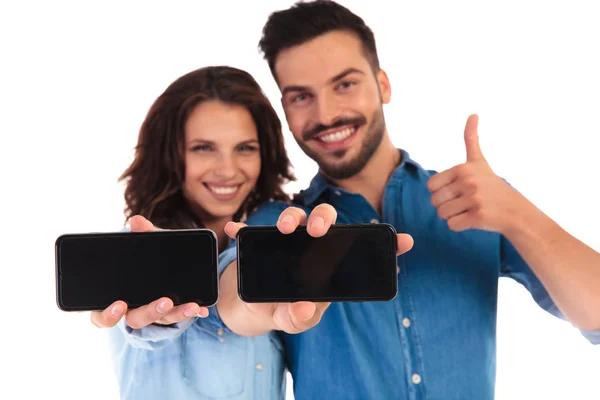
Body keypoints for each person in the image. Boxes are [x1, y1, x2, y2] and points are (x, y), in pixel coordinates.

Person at [122, 1, 600, 399]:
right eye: (300, 96)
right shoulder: (278, 222)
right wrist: (253, 307)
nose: (326, 113)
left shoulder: (477, 202)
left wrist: (518, 215)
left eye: (344, 84)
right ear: (285, 107)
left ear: (383, 84)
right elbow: (233, 296)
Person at [90, 65, 295, 399]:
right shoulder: (139, 248)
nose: (228, 170)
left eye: (245, 148)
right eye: (204, 147)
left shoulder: (267, 238)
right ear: (171, 155)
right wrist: (159, 315)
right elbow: (148, 325)